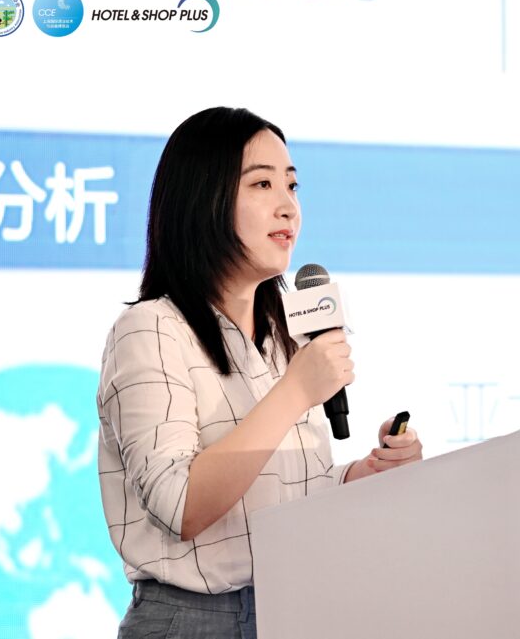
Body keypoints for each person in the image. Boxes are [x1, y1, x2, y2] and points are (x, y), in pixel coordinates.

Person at [96, 106, 423, 638]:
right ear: (204, 198)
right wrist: (294, 392)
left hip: (289, 610)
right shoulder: (150, 329)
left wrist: (363, 475)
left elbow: (287, 492)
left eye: (292, 186)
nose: (288, 206)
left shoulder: (283, 334)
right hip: (190, 621)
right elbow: (179, 506)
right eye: (262, 184)